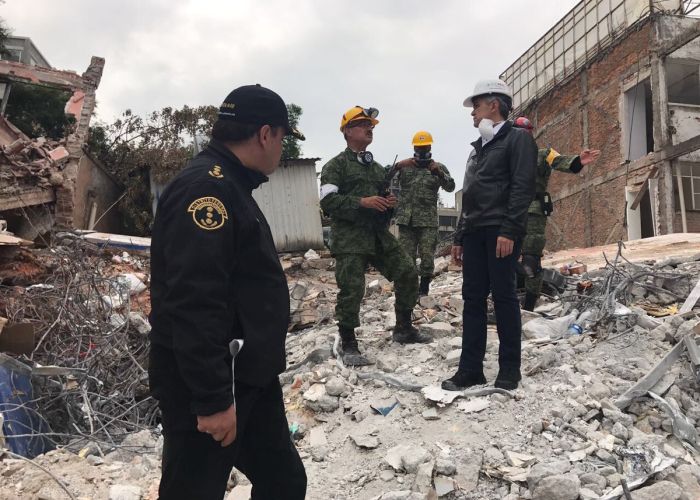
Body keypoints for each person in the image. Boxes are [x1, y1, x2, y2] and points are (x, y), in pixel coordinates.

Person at [148, 84, 307, 500]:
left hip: (249, 376)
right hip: (211, 383)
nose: (281, 148)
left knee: (283, 481)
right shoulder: (208, 190)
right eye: (283, 138)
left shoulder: (232, 185)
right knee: (193, 490)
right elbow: (194, 301)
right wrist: (213, 400)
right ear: (265, 134)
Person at [442, 79, 537, 392]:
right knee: (472, 299)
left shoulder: (518, 140)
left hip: (500, 230)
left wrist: (510, 230)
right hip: (475, 231)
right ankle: (470, 370)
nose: (473, 113)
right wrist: (459, 236)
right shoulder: (479, 148)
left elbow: (523, 188)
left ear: (494, 105)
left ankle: (509, 369)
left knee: (505, 296)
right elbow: (469, 193)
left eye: (477, 106)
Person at [319, 106, 431, 366]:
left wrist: (389, 204)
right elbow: (328, 202)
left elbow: (384, 208)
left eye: (371, 125)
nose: (369, 128)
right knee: (352, 289)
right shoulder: (335, 166)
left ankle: (403, 328)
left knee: (406, 271)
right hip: (350, 238)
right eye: (361, 124)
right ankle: (348, 343)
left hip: (377, 235)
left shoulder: (378, 169)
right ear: (347, 131)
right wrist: (363, 202)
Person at [512, 116, 601, 311]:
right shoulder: (505, 156)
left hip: (533, 213)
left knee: (531, 259)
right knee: (507, 258)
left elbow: (560, 161)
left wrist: (578, 161)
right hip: (509, 213)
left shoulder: (543, 154)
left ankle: (528, 307)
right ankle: (510, 299)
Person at [393, 131, 455, 296]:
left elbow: (451, 187)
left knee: (427, 257)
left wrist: (439, 173)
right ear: (414, 147)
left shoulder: (438, 167)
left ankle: (424, 289)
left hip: (427, 221)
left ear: (430, 147)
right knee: (407, 258)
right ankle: (409, 289)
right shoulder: (405, 166)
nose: (421, 150)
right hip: (407, 221)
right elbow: (384, 178)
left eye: (424, 147)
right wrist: (398, 165)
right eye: (419, 147)